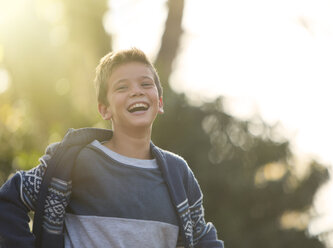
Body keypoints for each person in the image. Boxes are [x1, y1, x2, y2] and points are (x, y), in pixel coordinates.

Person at [0, 48, 223, 248]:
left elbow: (201, 236)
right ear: (104, 110)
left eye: (146, 84)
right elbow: (8, 201)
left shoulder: (179, 174)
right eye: (122, 87)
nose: (136, 91)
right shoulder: (73, 161)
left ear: (160, 102)